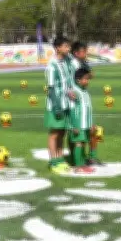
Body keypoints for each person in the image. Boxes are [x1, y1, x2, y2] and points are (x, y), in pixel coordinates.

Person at [45, 36, 75, 174]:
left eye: (69, 46)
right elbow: (51, 88)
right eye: (66, 46)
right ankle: (53, 161)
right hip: (56, 104)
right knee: (54, 133)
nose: (68, 49)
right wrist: (57, 106)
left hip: (67, 103)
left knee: (62, 132)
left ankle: (60, 158)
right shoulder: (52, 65)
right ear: (58, 48)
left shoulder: (68, 60)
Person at [67, 68, 96, 173]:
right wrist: (75, 125)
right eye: (85, 79)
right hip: (78, 124)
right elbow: (72, 109)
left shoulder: (85, 91)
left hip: (86, 124)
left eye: (88, 79)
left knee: (83, 143)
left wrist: (91, 123)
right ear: (78, 80)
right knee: (78, 143)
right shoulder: (74, 92)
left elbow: (89, 109)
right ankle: (78, 166)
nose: (87, 81)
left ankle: (83, 164)